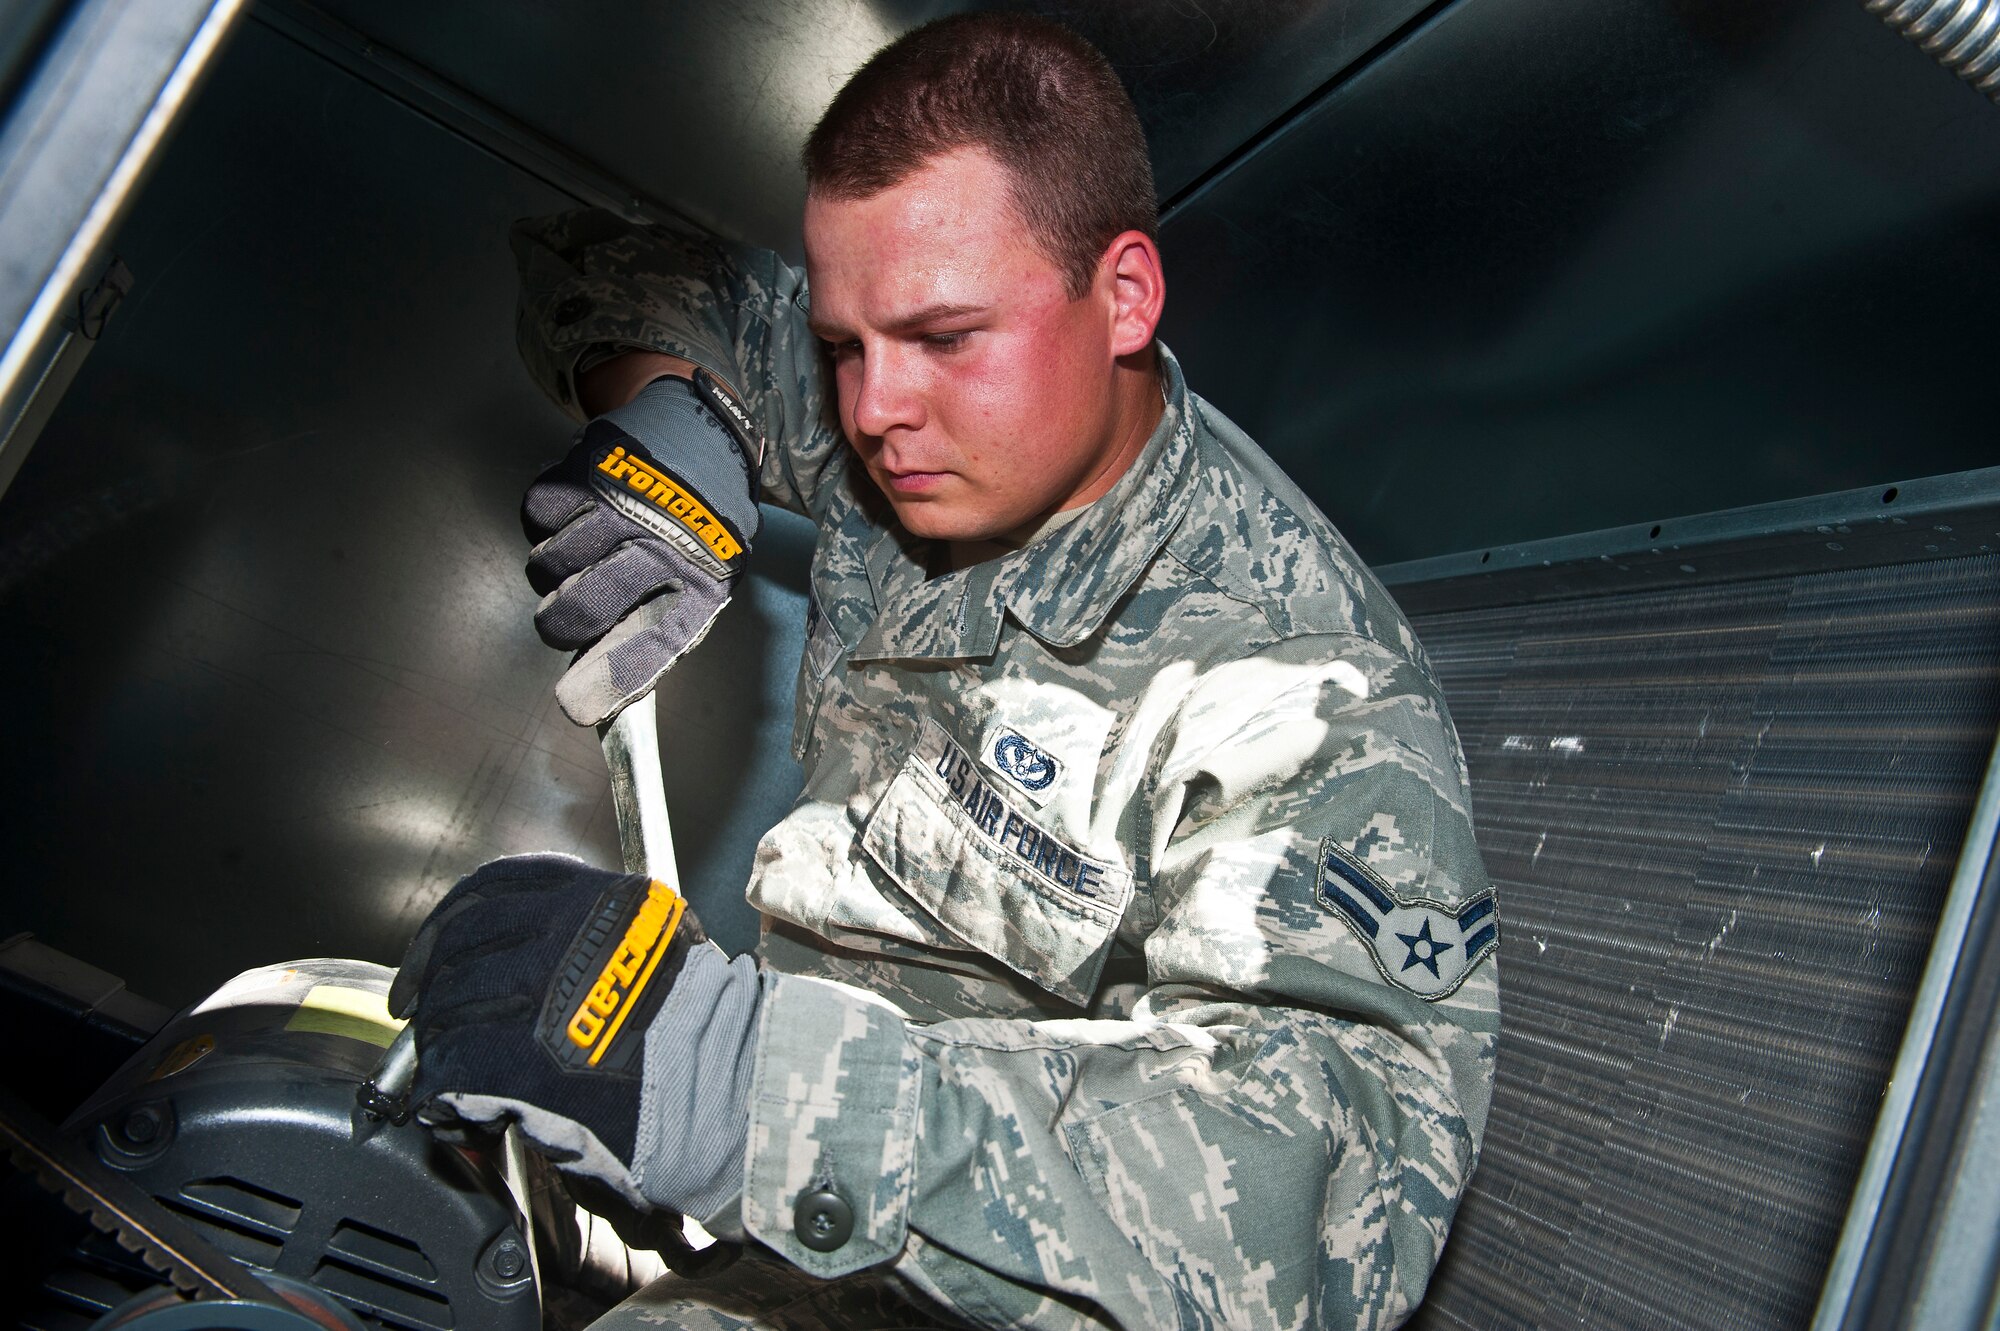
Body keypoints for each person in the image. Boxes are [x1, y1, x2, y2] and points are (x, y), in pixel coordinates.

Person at [387, 14, 1500, 1330]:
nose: (866, 410)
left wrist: (739, 1085)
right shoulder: (923, 411)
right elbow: (620, 268)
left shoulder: (1301, 693)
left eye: (942, 338)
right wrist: (675, 423)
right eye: (848, 344)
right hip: (794, 1217)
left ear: (1126, 298)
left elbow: (1326, 1203)